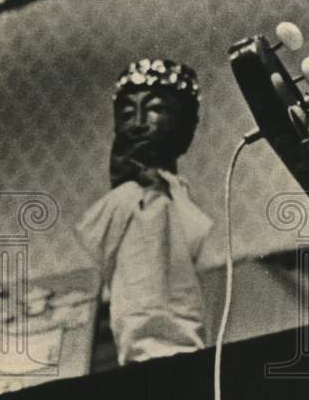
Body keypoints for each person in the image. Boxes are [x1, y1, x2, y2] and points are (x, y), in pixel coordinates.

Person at [77, 59, 212, 365]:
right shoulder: (131, 201)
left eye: (154, 109)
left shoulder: (175, 196)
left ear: (185, 124)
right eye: (126, 113)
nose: (137, 123)